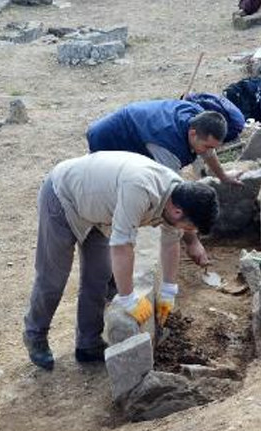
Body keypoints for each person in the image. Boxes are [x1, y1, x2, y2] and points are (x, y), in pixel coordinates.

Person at [22, 151, 219, 370]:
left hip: (100, 212)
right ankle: (35, 335)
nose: (189, 232)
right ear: (177, 210)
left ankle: (88, 344)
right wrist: (128, 298)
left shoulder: (179, 192)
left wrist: (168, 290)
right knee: (53, 278)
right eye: (190, 227)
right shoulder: (140, 190)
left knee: (98, 277)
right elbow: (122, 246)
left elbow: (171, 242)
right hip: (63, 197)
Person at [86, 99, 242, 184]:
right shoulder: (168, 148)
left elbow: (209, 153)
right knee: (114, 186)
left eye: (212, 147)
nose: (208, 150)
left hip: (139, 125)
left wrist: (223, 177)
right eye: (206, 146)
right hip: (108, 138)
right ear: (193, 133)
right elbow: (173, 188)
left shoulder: (198, 117)